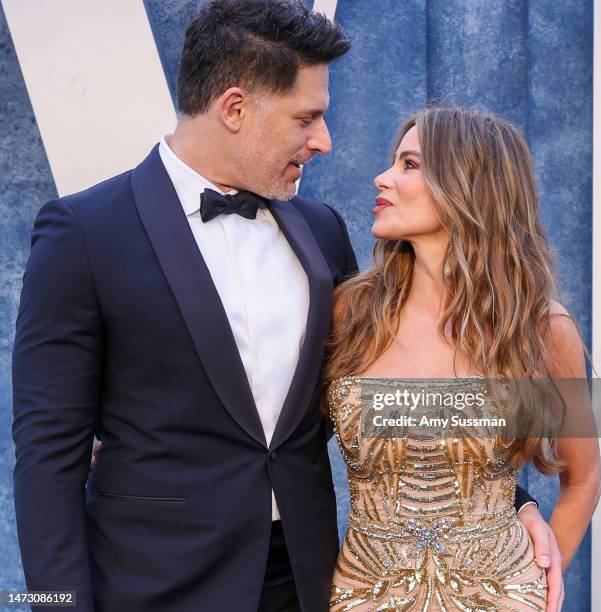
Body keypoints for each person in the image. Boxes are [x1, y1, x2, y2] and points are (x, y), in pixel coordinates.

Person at [11, 2, 562, 610]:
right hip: (153, 585)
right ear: (236, 109)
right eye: (307, 118)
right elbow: (47, 461)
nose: (323, 142)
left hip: (310, 580)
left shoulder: (321, 230)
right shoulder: (84, 232)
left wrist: (512, 503)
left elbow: (383, 389)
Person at [323, 107, 601, 611]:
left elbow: (583, 478)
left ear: (468, 188)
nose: (382, 177)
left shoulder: (544, 328)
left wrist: (538, 580)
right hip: (364, 596)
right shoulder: (350, 312)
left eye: (409, 165)